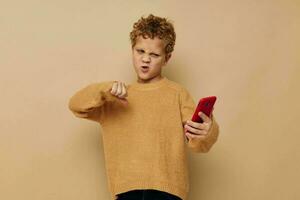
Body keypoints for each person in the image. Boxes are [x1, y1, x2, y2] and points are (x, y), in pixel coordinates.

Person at [68, 14, 219, 200]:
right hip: (126, 191)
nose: (145, 59)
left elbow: (199, 144)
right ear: (132, 50)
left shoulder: (177, 94)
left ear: (167, 58)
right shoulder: (115, 97)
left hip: (168, 192)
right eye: (140, 51)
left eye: (154, 55)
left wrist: (208, 130)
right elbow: (76, 105)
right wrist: (105, 89)